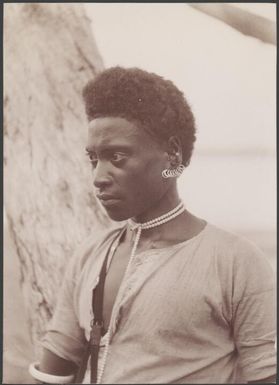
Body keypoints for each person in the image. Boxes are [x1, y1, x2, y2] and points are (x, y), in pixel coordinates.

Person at [29, 67, 276, 384]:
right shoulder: (91, 254)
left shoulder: (236, 262)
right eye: (94, 159)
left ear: (172, 156)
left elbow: (265, 374)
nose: (98, 178)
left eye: (117, 157)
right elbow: (54, 369)